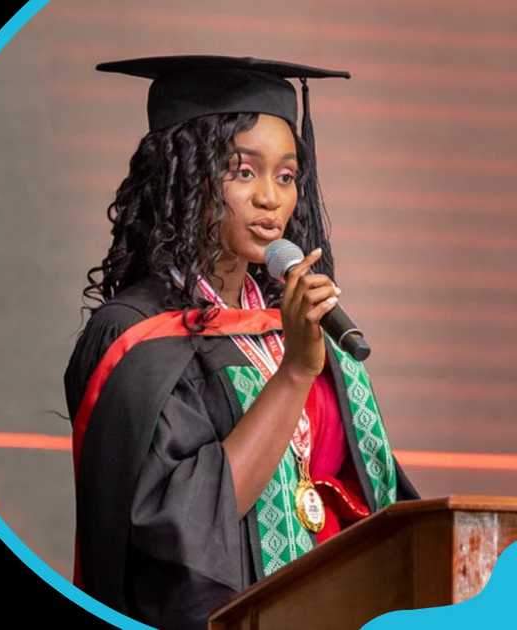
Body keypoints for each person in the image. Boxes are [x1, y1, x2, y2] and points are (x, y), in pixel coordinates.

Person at [63, 56, 420, 630]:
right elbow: (183, 520)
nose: (271, 200)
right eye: (242, 171)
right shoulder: (137, 336)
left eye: (285, 176)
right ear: (185, 175)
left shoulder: (289, 324)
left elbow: (374, 497)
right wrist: (297, 374)